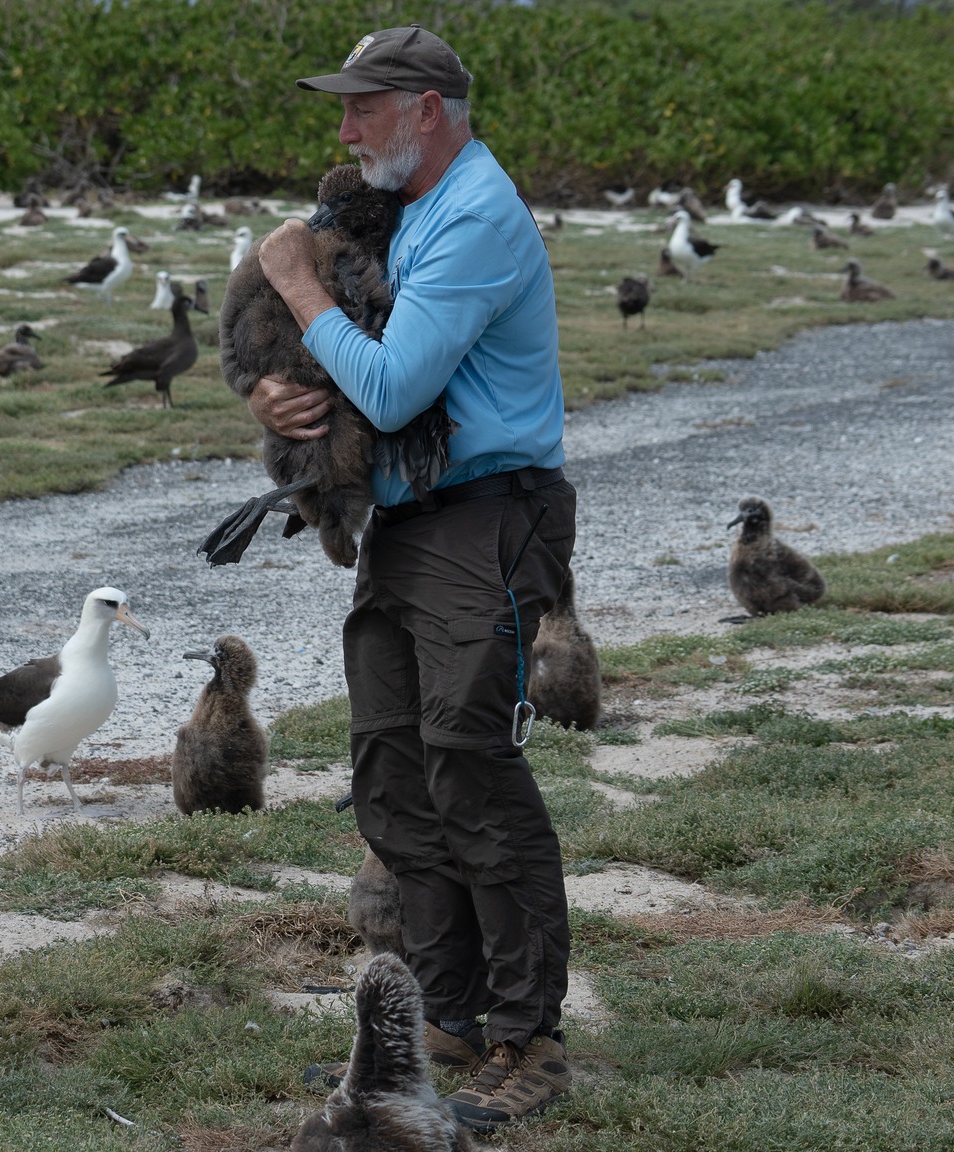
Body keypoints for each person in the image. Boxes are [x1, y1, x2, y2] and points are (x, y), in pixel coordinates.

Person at [251, 25, 576, 1134]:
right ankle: (447, 1014)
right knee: (392, 772)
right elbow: (355, 375)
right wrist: (280, 396)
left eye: (360, 110)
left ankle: (526, 1040)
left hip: (485, 519)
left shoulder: (476, 216)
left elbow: (391, 390)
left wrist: (296, 290)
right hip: (405, 518)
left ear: (424, 110)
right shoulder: (406, 210)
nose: (340, 133)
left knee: (471, 769)